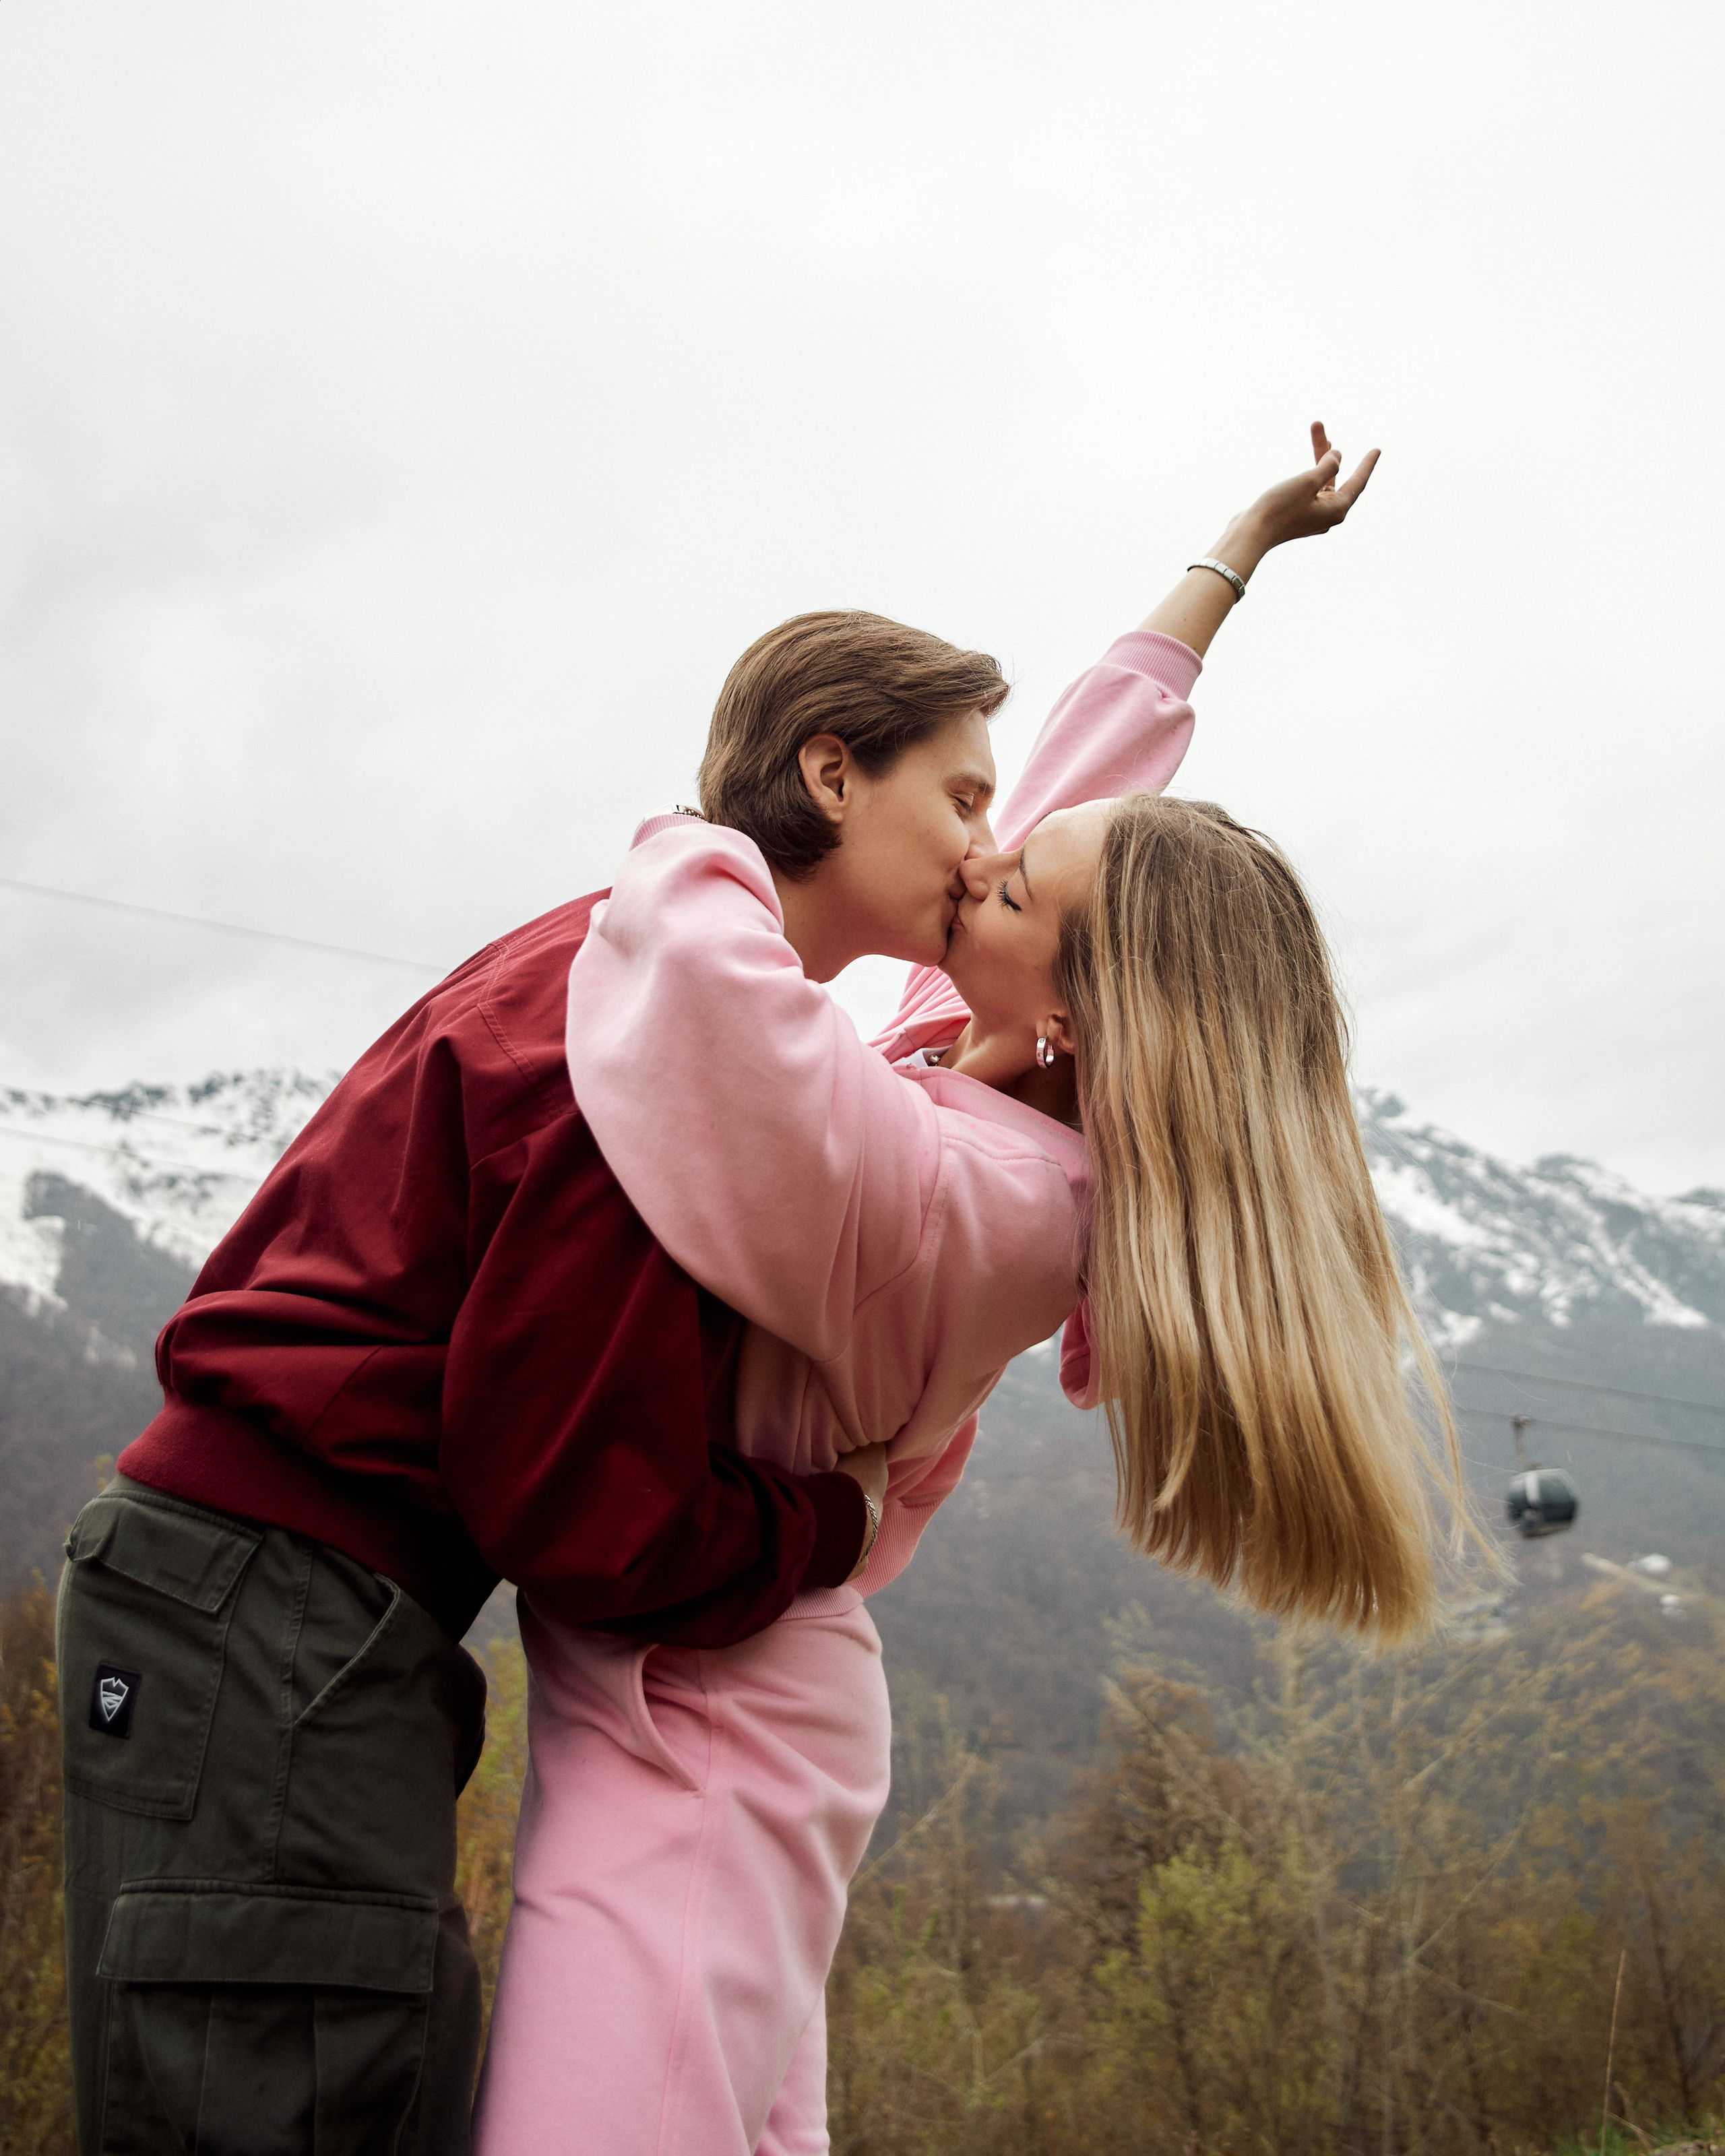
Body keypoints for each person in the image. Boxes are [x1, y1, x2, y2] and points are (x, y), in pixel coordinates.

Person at [474, 426, 1472, 2153]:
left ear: (1080, 1008)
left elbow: (706, 993)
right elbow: (1092, 773)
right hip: (717, 1672)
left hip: (714, 1710)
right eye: (979, 829)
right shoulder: (988, 1049)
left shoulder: (988, 1196)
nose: (973, 857)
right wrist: (1232, 556)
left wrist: (737, 830)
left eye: (1004, 876)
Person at [53, 840, 899, 2147]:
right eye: (961, 796)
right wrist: (825, 1522)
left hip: (238, 1610)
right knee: (304, 2095)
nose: (982, 845)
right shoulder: (663, 1023)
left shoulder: (619, 950)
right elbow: (579, 1513)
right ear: (835, 777)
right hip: (275, 1623)